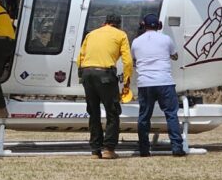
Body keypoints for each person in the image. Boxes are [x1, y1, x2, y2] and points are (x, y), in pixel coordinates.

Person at [76, 13, 133, 160]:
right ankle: (109, 149)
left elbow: (80, 57)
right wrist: (126, 81)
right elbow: (127, 61)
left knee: (93, 112)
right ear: (118, 24)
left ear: (104, 22)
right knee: (112, 112)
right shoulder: (121, 34)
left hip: (87, 73)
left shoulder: (91, 34)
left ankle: (95, 150)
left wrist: (81, 75)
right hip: (105, 75)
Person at [130, 14, 186, 157]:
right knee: (171, 115)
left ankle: (144, 149)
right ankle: (177, 148)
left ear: (143, 25)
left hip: (145, 84)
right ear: (159, 26)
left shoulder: (136, 42)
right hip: (165, 82)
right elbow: (175, 56)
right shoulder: (166, 39)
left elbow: (134, 60)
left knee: (144, 117)